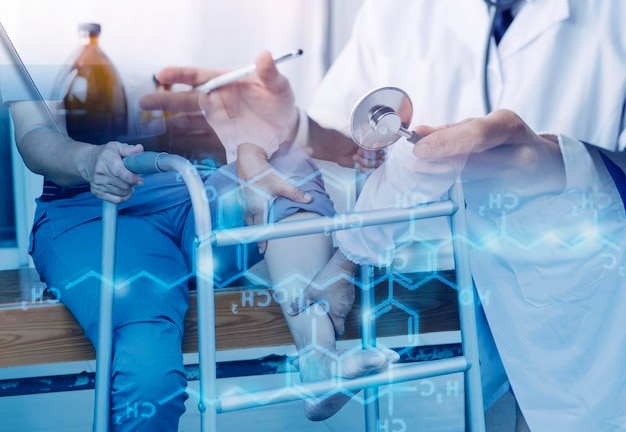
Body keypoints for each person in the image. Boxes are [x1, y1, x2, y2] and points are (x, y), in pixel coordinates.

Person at [179, 1, 626, 431]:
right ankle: (318, 365)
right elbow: (354, 144)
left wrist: (562, 163)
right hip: (430, 272)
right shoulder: (396, 8)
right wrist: (290, 127)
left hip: (580, 268)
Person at [6, 49, 397, 431]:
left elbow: (257, 107)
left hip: (195, 192)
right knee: (149, 373)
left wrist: (257, 151)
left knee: (289, 171)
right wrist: (88, 161)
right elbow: (34, 133)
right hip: (96, 209)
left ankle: (318, 362)